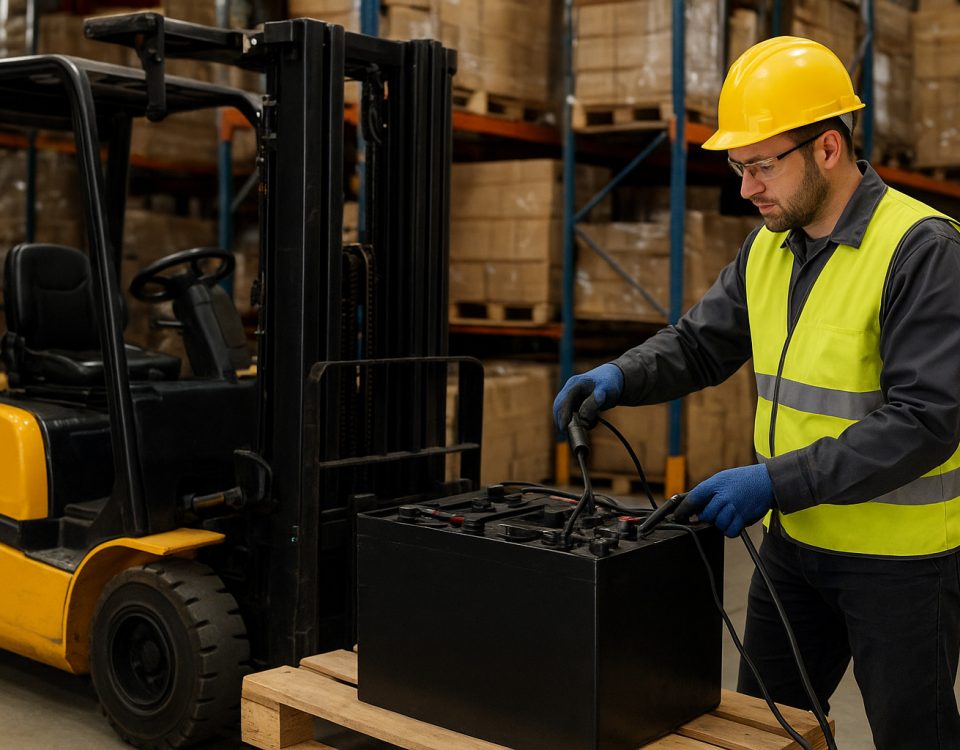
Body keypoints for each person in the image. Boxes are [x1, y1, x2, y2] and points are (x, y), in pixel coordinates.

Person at [553, 36, 960, 748]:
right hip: (795, 546)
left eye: (762, 165)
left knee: (912, 737)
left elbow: (925, 421)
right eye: (740, 167)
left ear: (828, 148)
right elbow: (699, 343)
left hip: (901, 569)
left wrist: (773, 481)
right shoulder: (770, 247)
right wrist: (619, 375)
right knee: (762, 731)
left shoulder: (922, 251)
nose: (746, 189)